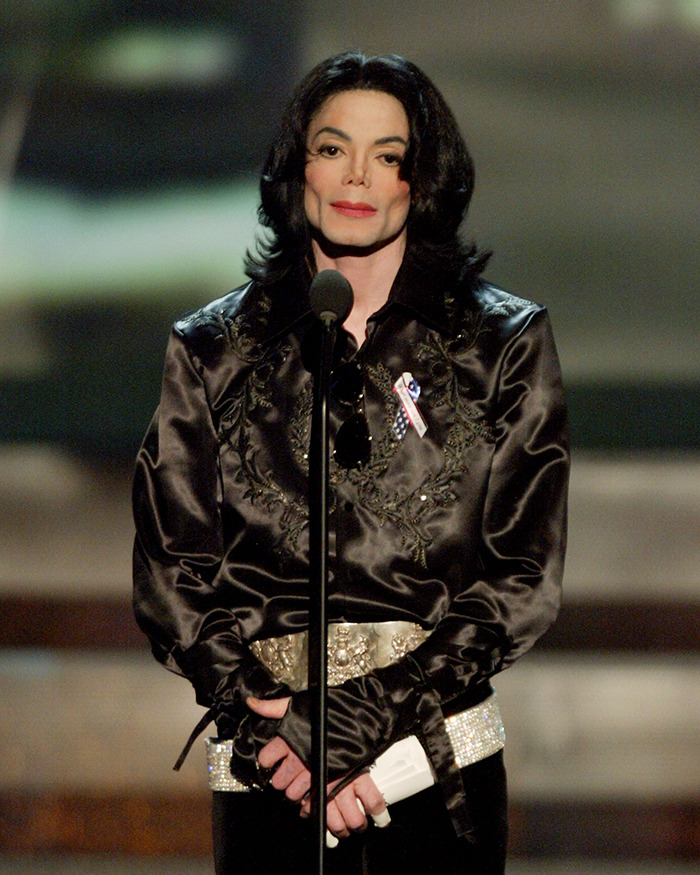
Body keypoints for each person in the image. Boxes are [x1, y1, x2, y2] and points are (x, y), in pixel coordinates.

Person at [132, 51, 569, 875]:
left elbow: (522, 575)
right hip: (270, 767)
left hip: (430, 766)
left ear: (422, 178)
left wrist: (367, 715)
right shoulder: (213, 350)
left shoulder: (501, 343)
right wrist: (272, 728)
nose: (356, 175)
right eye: (332, 148)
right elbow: (172, 570)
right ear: (297, 167)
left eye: (387, 154)